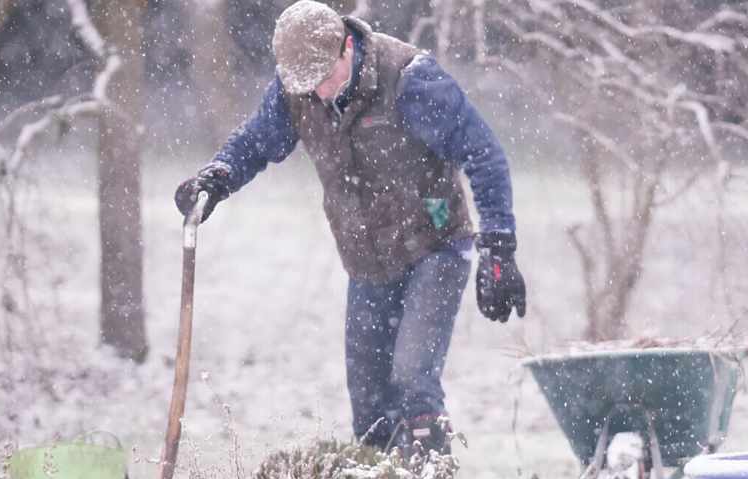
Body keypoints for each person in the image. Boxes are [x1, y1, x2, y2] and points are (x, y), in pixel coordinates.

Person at [175, 0, 526, 454]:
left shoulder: (408, 78)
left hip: (435, 244)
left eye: (326, 78)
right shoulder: (296, 89)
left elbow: (482, 152)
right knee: (370, 412)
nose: (319, 93)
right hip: (367, 262)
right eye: (308, 86)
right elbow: (258, 141)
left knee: (413, 379)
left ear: (347, 47)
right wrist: (218, 176)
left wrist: (497, 245)